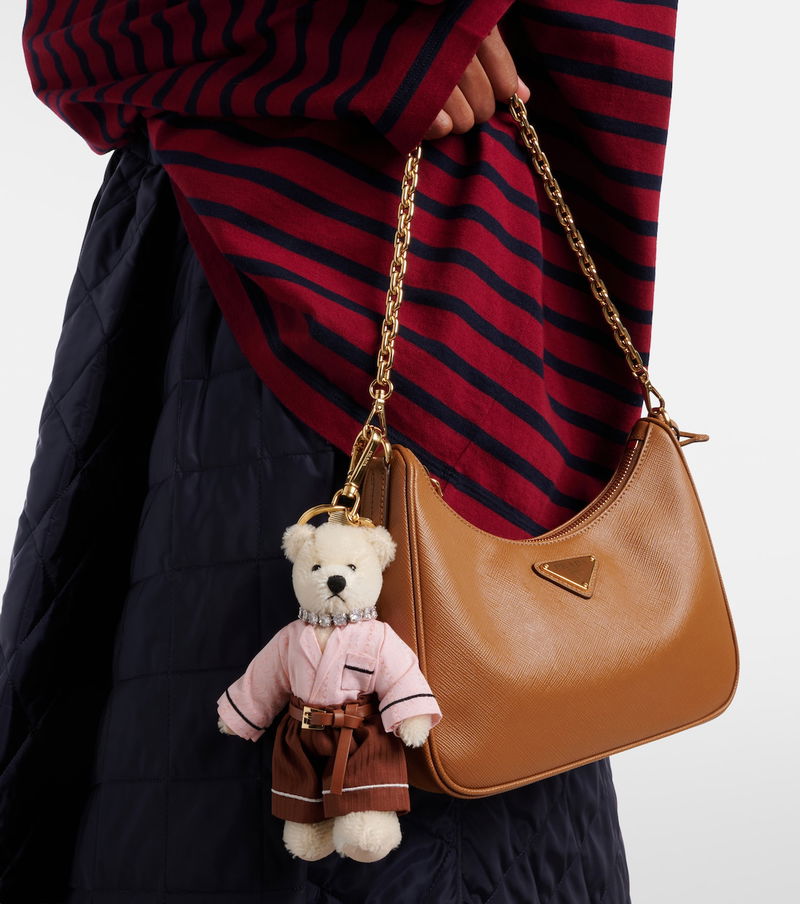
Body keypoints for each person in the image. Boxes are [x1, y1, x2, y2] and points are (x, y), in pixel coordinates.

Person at [0, 2, 678, 901]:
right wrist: (377, 31)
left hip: (407, 288)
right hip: (211, 294)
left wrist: (400, 31)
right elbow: (71, 38)